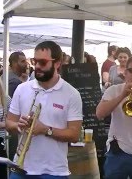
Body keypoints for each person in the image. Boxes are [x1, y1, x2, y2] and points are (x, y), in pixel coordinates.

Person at [6, 41, 83, 178]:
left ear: (57, 63)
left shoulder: (72, 94)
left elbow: (74, 135)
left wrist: (45, 129)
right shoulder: (22, 89)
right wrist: (18, 125)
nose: (37, 66)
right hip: (21, 168)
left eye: (43, 62)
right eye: (34, 61)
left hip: (54, 171)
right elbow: (9, 123)